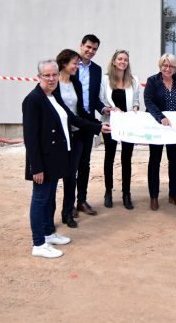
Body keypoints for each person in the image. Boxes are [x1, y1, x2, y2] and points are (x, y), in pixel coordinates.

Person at [22, 59, 109, 259]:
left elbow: (73, 118)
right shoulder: (33, 100)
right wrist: (36, 168)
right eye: (47, 75)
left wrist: (98, 127)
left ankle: (47, 233)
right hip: (43, 161)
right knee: (40, 200)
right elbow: (31, 139)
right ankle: (38, 244)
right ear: (39, 77)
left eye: (54, 75)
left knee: (49, 198)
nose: (52, 79)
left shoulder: (53, 96)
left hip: (56, 158)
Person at [53, 49, 94, 229]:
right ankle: (49, 217)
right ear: (64, 64)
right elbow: (68, 114)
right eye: (74, 64)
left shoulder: (75, 83)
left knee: (72, 176)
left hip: (77, 134)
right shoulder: (54, 85)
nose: (77, 67)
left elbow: (80, 111)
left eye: (78, 64)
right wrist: (97, 127)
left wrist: (96, 121)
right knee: (58, 176)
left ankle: (67, 213)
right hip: (60, 136)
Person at [143, 53, 176, 211]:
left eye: (171, 66)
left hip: (173, 127)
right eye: (165, 65)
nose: (167, 69)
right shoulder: (152, 81)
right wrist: (161, 117)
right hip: (157, 126)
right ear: (160, 66)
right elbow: (148, 101)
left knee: (174, 161)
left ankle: (174, 194)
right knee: (155, 161)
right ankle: (153, 196)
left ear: (175, 68)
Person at [100, 49, 140, 210]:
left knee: (126, 159)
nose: (123, 62)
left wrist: (136, 107)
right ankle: (108, 192)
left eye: (125, 59)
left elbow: (136, 100)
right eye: (120, 59)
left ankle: (126, 193)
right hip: (110, 123)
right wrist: (108, 109)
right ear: (114, 61)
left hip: (127, 124)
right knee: (109, 157)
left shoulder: (134, 80)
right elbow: (100, 100)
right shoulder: (104, 80)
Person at [75, 34, 107, 218]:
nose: (90, 51)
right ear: (81, 45)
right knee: (71, 165)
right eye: (88, 47)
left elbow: (94, 98)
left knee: (85, 164)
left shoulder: (97, 70)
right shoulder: (70, 65)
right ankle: (69, 203)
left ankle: (82, 200)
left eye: (94, 49)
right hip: (72, 122)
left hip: (88, 123)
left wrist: (103, 108)